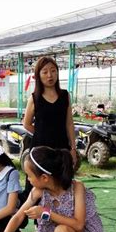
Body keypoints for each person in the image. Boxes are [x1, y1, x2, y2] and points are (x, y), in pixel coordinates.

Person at [22, 57, 77, 195]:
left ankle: (61, 216)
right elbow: (26, 124)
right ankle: (36, 215)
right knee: (37, 185)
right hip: (40, 148)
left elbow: (69, 123)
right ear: (38, 75)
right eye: (45, 72)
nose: (49, 75)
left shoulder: (65, 96)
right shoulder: (35, 98)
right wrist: (42, 132)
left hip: (61, 147)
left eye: (53, 71)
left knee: (61, 183)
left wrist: (73, 148)